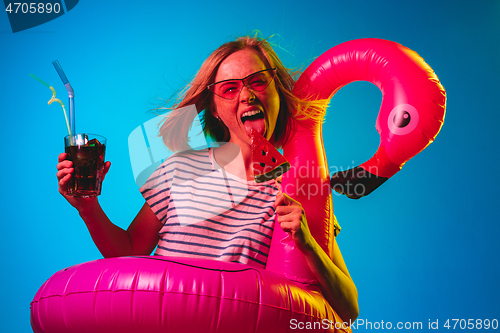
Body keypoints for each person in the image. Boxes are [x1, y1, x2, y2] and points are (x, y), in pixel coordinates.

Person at [56, 35, 359, 323]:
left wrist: (307, 244)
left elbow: (348, 310)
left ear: (276, 91)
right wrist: (88, 208)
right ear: (214, 109)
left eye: (257, 82)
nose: (247, 95)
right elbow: (130, 250)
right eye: (230, 88)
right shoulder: (178, 169)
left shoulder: (296, 190)